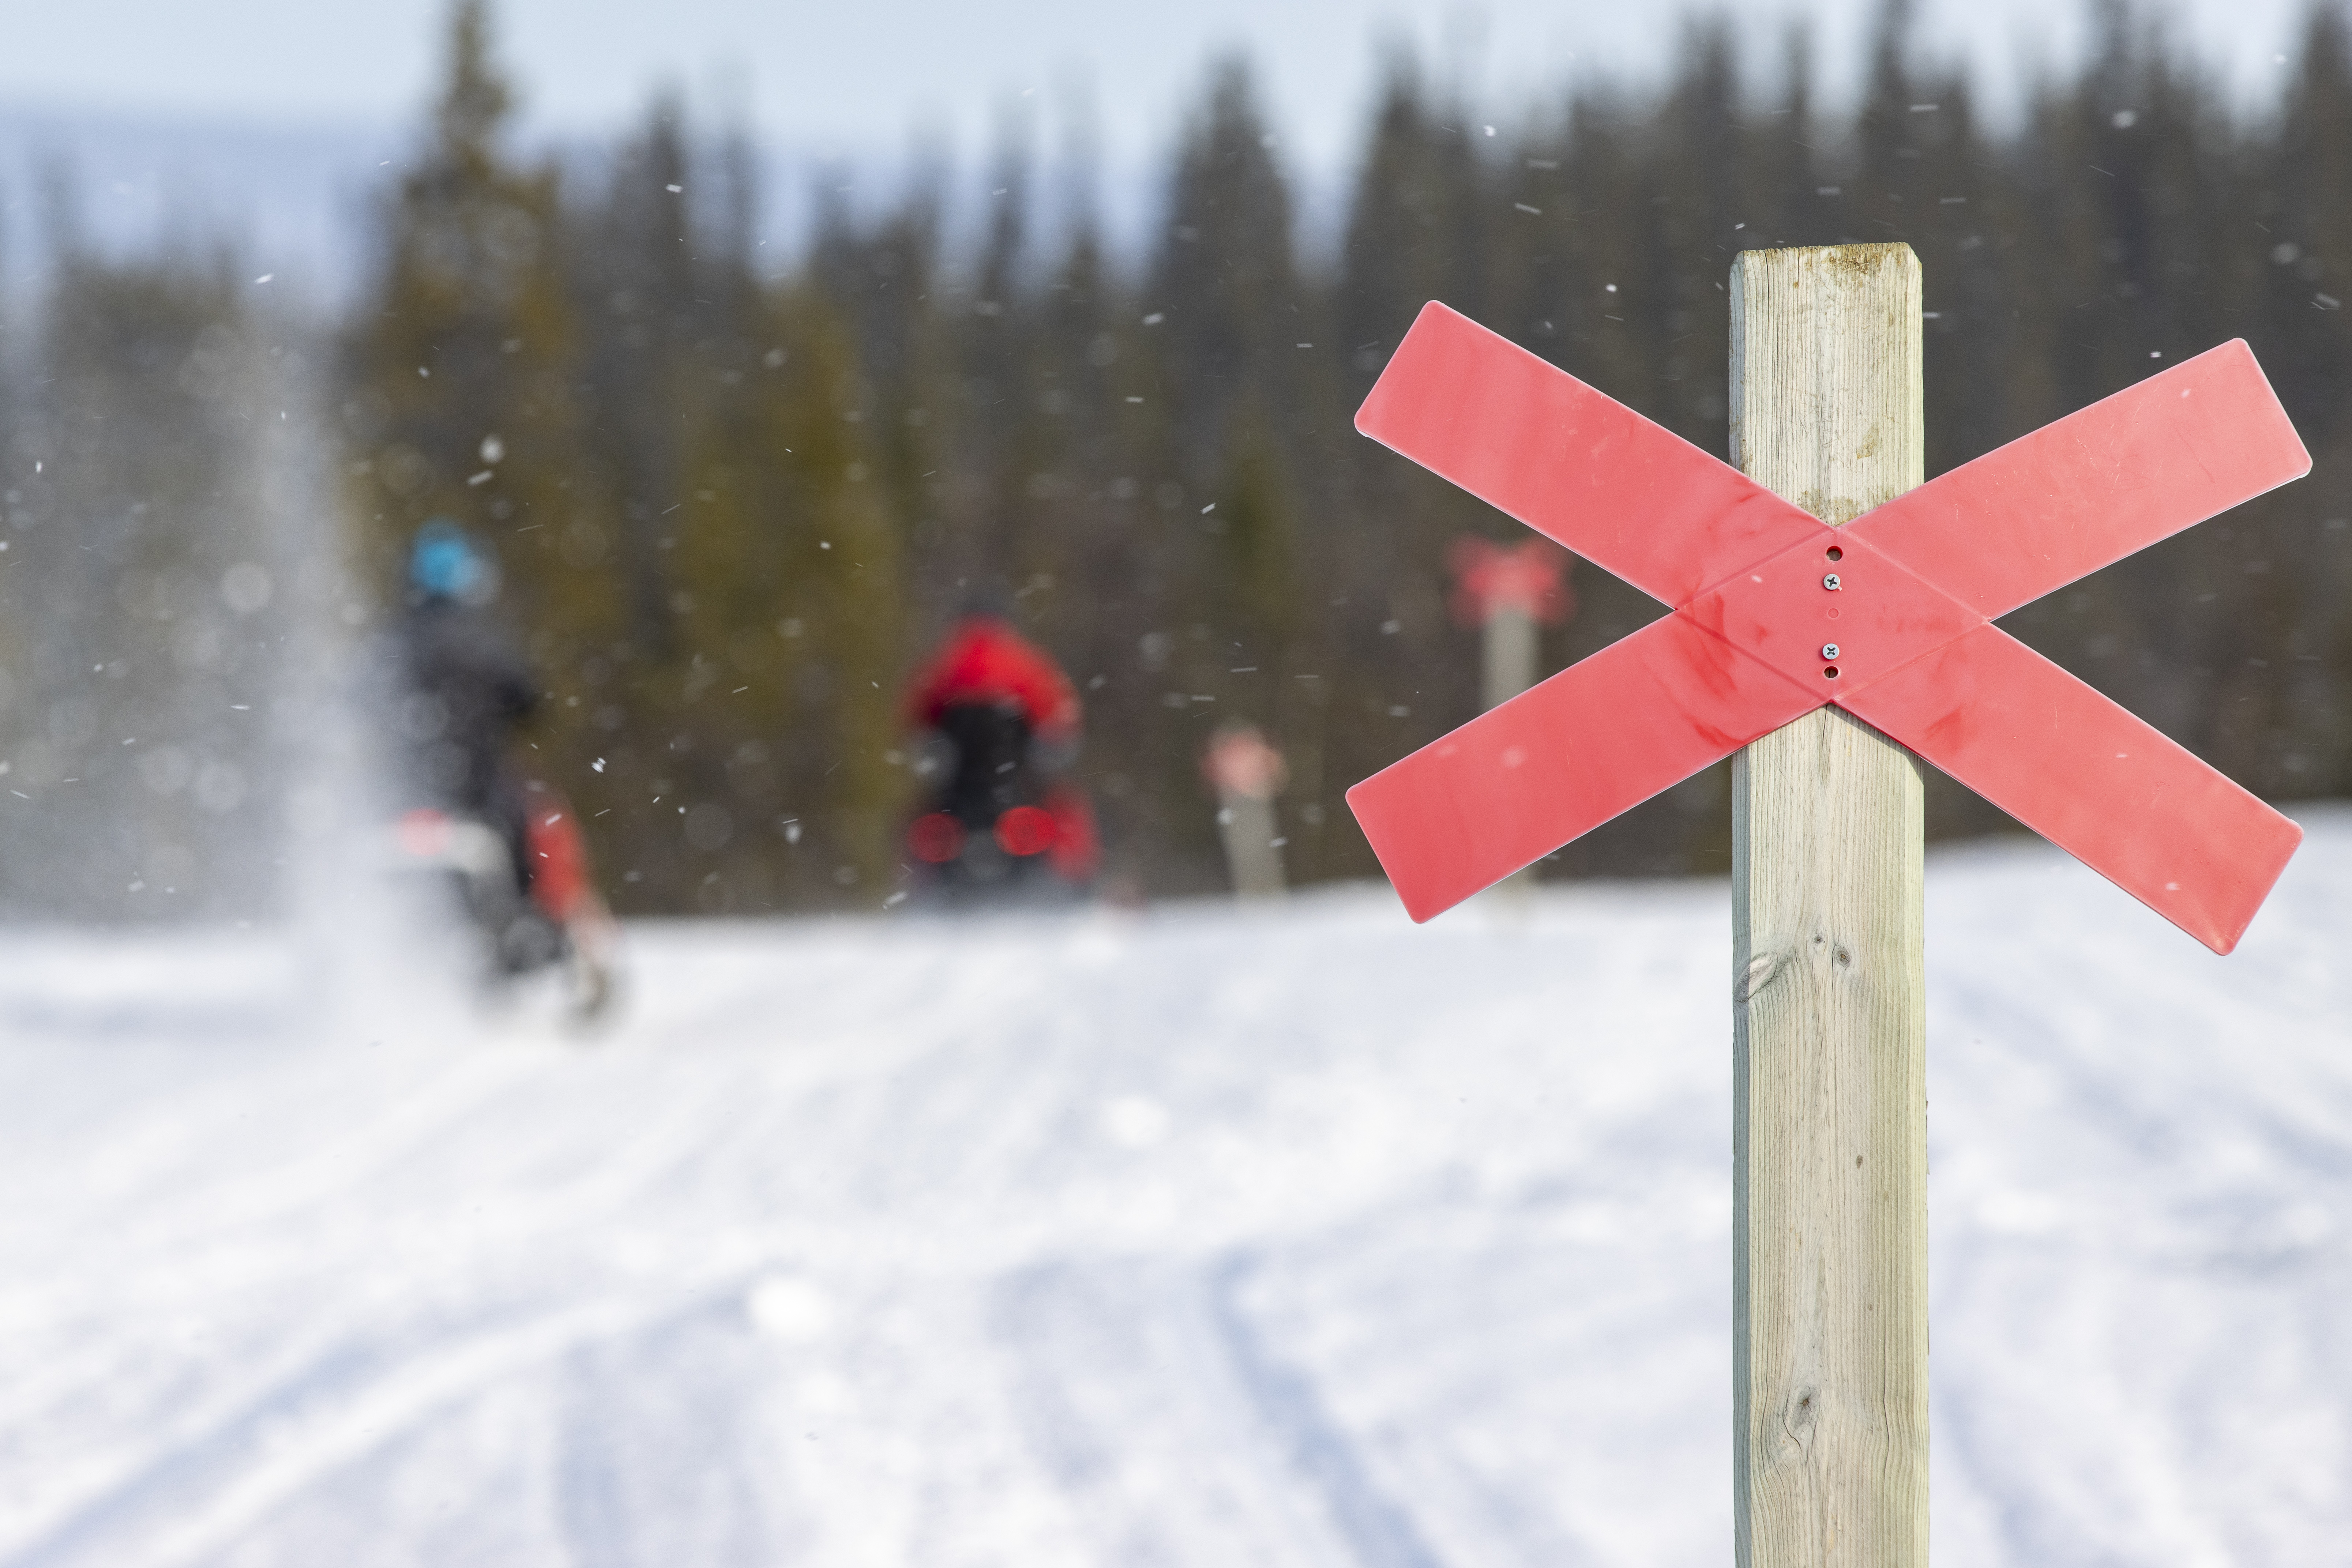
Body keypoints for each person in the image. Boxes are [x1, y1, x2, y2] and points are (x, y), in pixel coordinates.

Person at [902, 602, 1098, 900]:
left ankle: (915, 885)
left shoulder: (942, 663)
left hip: (958, 794)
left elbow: (917, 722)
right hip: (1016, 787)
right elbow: (1062, 721)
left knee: (918, 812)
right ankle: (1075, 880)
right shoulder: (1028, 660)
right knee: (1065, 806)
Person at [392, 519, 539, 896]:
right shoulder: (482, 644)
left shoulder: (390, 644)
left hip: (399, 797)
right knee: (536, 829)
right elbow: (527, 699)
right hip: (477, 799)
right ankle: (534, 915)